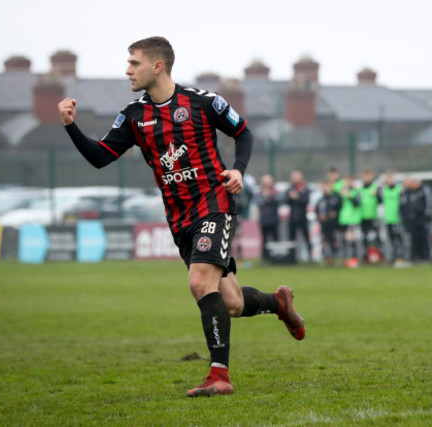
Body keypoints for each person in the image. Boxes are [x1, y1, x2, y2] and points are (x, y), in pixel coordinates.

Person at [57, 36, 305, 398]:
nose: (127, 70)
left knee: (199, 283)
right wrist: (70, 126)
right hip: (179, 218)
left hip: (214, 203)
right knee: (232, 303)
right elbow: (101, 156)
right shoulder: (133, 116)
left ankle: (219, 375)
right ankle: (279, 302)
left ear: (158, 66)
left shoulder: (202, 102)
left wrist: (238, 170)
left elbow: (244, 132)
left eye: (134, 63)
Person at [401, 178, 432, 262]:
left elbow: (428, 204)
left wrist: (427, 215)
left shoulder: (424, 190)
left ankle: (425, 257)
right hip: (413, 221)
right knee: (415, 239)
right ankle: (416, 256)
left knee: (424, 238)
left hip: (423, 220)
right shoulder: (407, 192)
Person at [378, 171, 405, 264]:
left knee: (399, 238)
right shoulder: (384, 189)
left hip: (397, 218)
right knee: (391, 239)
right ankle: (392, 257)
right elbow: (379, 200)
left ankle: (400, 257)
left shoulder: (399, 189)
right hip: (388, 218)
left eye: (391, 178)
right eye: (388, 178)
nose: (389, 180)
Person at [285, 170, 312, 261]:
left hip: (302, 217)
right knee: (291, 239)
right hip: (292, 218)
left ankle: (310, 257)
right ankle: (292, 258)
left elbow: (306, 200)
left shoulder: (305, 188)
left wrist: (297, 197)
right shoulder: (290, 189)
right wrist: (290, 197)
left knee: (306, 238)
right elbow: (286, 200)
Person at [315, 179, 342, 265]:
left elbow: (339, 209)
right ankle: (325, 259)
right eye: (324, 186)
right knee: (323, 241)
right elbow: (317, 211)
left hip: (334, 224)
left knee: (334, 241)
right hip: (324, 224)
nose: (326, 188)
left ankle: (336, 258)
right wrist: (320, 217)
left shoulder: (335, 198)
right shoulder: (320, 200)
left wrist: (335, 214)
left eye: (327, 186)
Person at [338, 175, 362, 267]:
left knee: (352, 240)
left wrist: (349, 196)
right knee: (345, 240)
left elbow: (357, 204)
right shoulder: (342, 192)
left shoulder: (356, 192)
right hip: (344, 219)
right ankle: (346, 259)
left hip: (353, 219)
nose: (347, 183)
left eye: (349, 181)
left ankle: (354, 259)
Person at [256, 174, 280, 261]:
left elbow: (279, 199)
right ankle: (265, 258)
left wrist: (270, 196)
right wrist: (265, 197)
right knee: (265, 240)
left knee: (275, 239)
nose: (267, 185)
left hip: (274, 220)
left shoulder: (275, 192)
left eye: (269, 183)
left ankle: (277, 257)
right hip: (264, 221)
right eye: (265, 183)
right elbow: (258, 202)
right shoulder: (259, 192)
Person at [358, 169, 381, 262]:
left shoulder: (376, 187)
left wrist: (377, 194)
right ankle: (366, 257)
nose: (366, 178)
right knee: (364, 238)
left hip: (373, 216)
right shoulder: (359, 189)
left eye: (368, 175)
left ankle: (379, 256)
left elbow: (381, 201)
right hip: (362, 217)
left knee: (376, 237)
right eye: (365, 175)